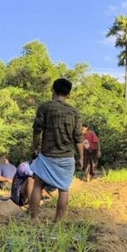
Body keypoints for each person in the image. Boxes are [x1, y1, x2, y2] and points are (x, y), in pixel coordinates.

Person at [29, 79, 83, 223]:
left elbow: (37, 130)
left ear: (53, 90)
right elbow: (78, 138)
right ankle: (57, 222)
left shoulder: (45, 107)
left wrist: (35, 146)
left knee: (38, 185)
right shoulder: (74, 112)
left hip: (47, 155)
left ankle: (34, 218)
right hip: (67, 157)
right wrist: (81, 157)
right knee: (63, 189)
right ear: (69, 94)